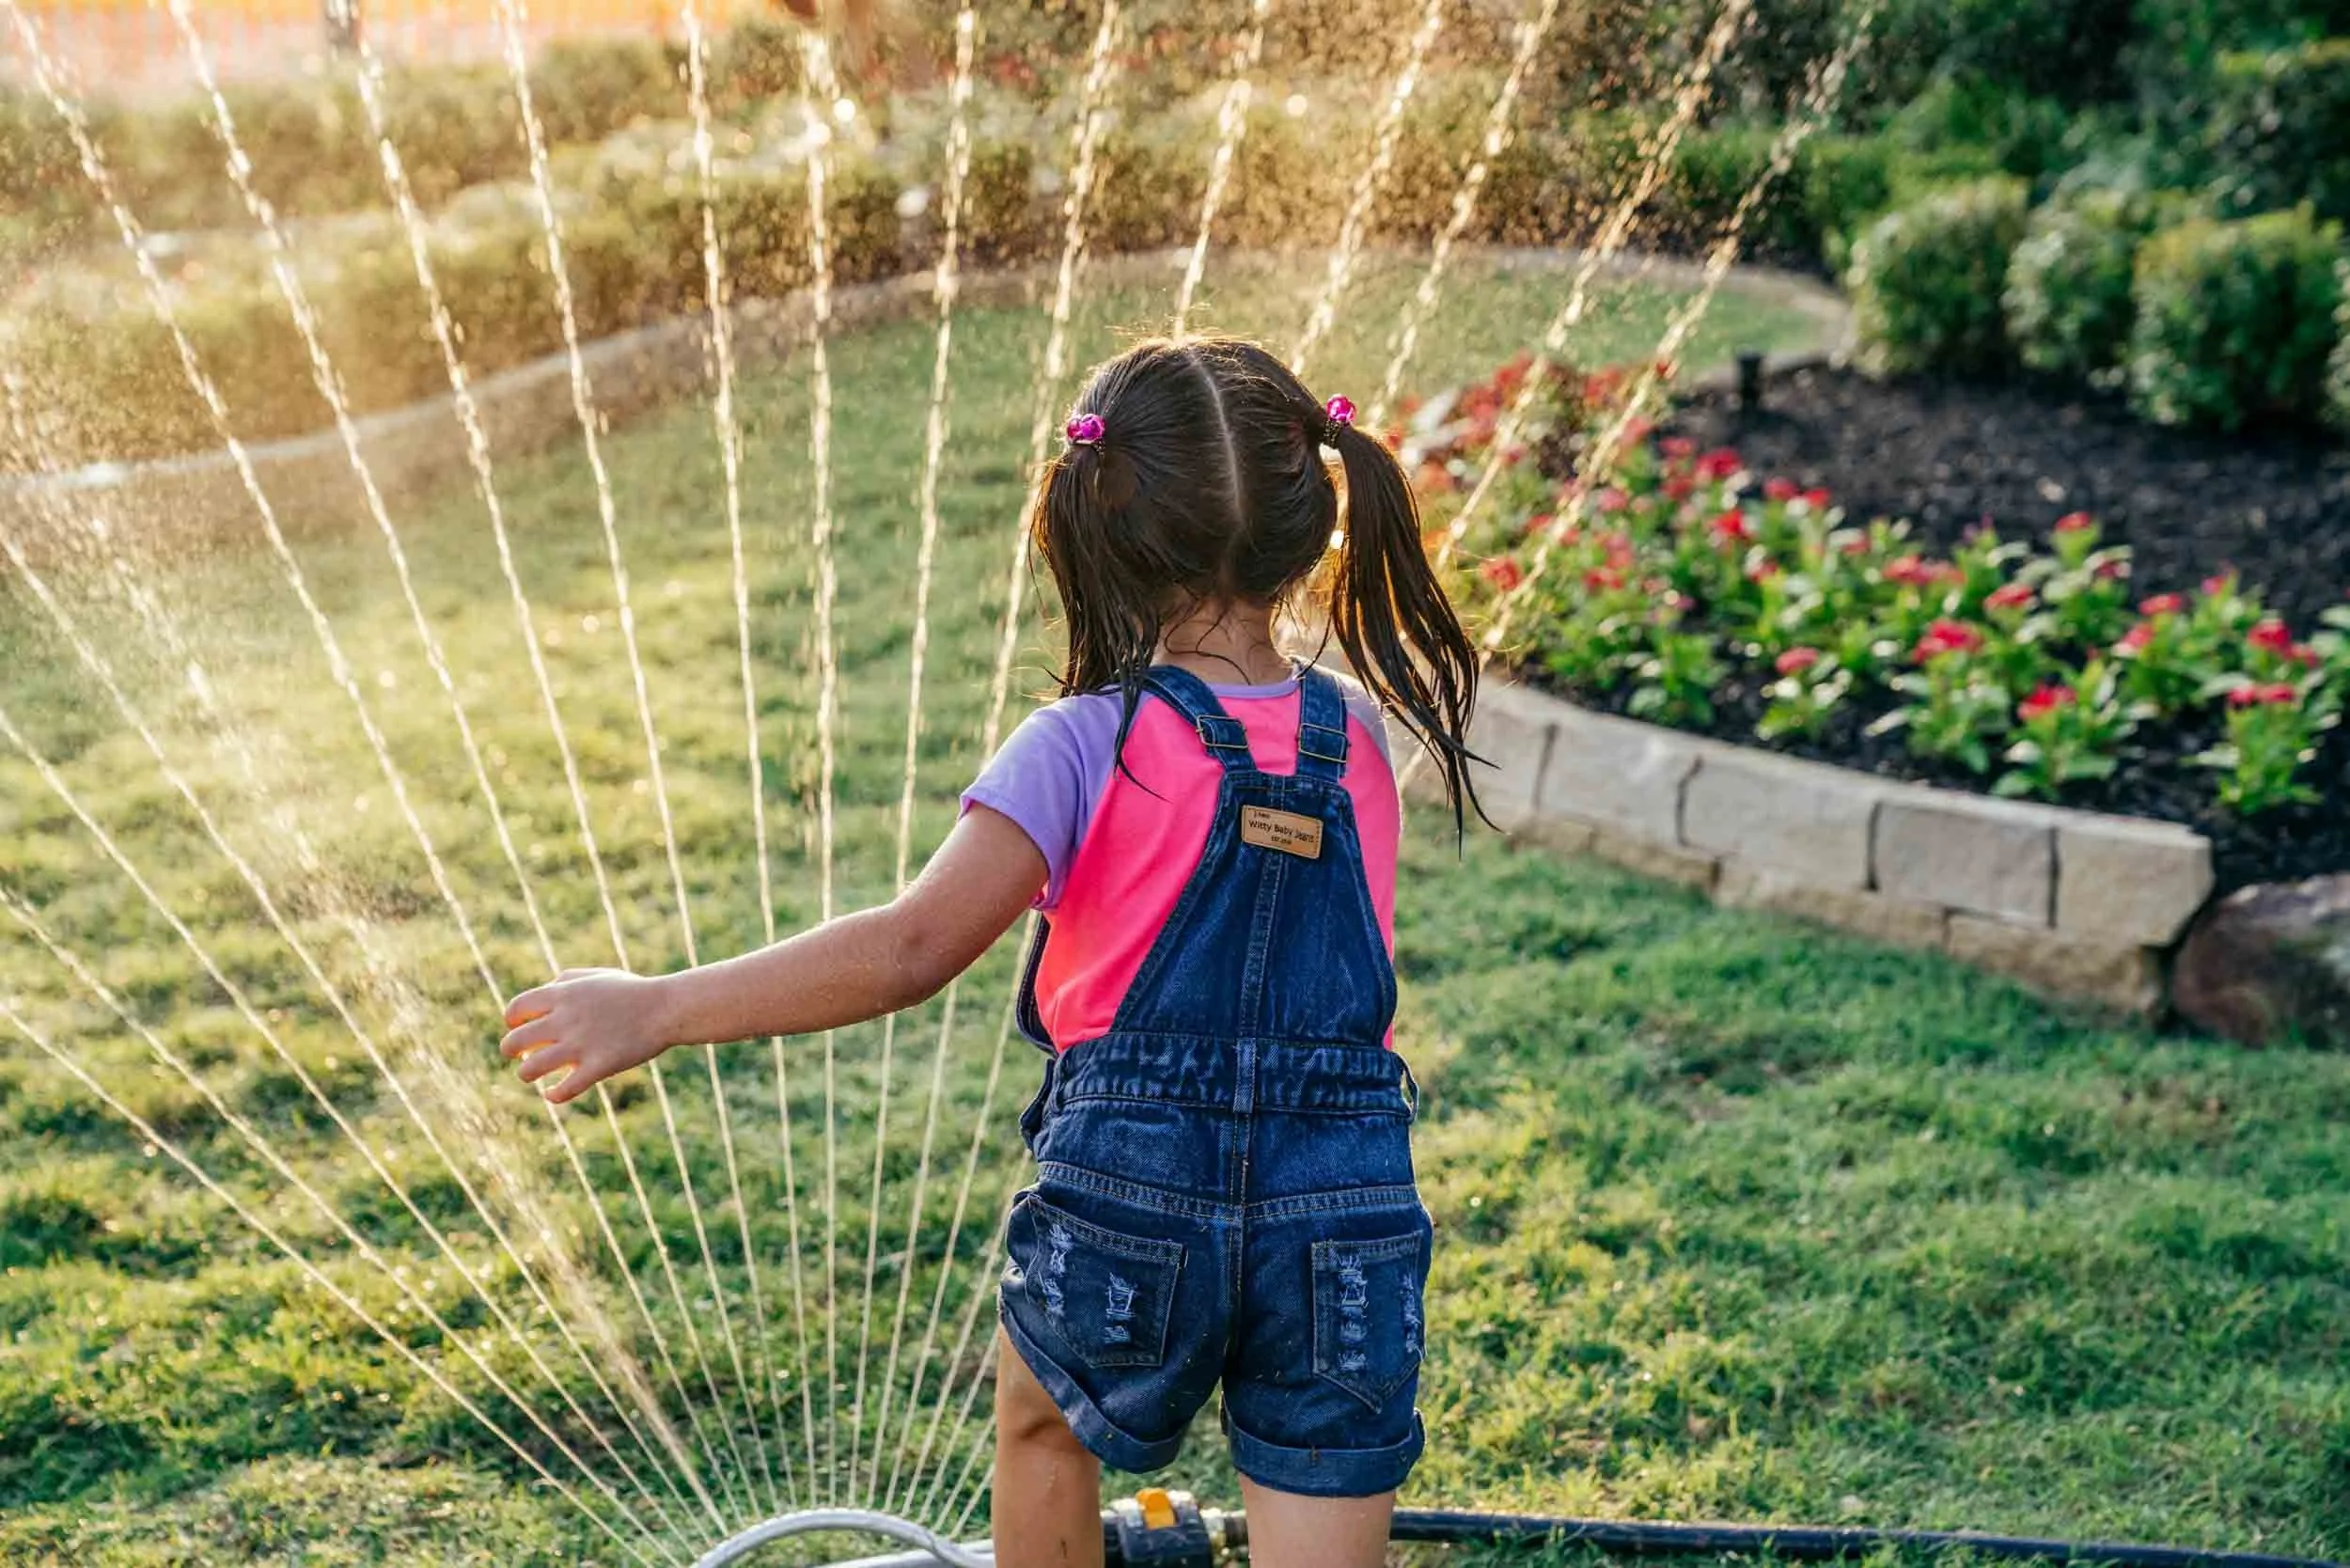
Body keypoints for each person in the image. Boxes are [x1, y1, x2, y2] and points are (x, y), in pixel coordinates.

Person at [499, 335, 1480, 1568]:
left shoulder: (1083, 743)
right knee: (1323, 1465)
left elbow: (913, 945)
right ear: (1310, 521)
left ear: (1100, 528)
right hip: (1344, 1196)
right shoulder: (1351, 738)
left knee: (1045, 1430)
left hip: (1135, 1182)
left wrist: (658, 1006)